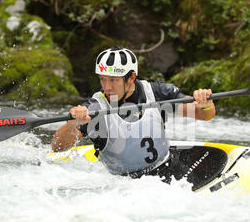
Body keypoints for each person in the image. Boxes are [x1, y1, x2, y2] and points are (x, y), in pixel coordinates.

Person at [52, 46, 216, 180]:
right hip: (122, 185)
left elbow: (203, 115)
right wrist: (71, 124)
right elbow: (58, 147)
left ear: (131, 77)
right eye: (102, 79)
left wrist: (205, 104)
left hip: (167, 170)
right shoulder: (95, 108)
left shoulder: (157, 93)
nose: (106, 87)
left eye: (113, 80)